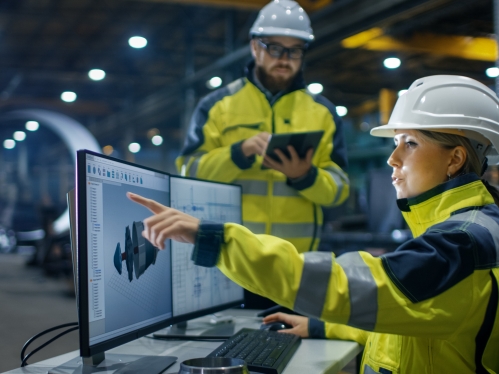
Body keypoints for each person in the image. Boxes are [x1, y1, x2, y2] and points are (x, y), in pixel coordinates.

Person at [130, 75, 499, 373]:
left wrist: (215, 239)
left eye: (410, 143)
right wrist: (324, 326)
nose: (393, 157)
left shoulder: (463, 244)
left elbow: (358, 286)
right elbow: (409, 316)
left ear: (455, 159)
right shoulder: (461, 228)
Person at [175, 0, 350, 254]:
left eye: (295, 50)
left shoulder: (323, 113)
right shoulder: (217, 106)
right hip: (231, 258)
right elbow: (188, 173)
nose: (285, 59)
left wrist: (305, 176)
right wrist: (239, 153)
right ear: (255, 47)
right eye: (275, 48)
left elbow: (340, 190)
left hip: (295, 263)